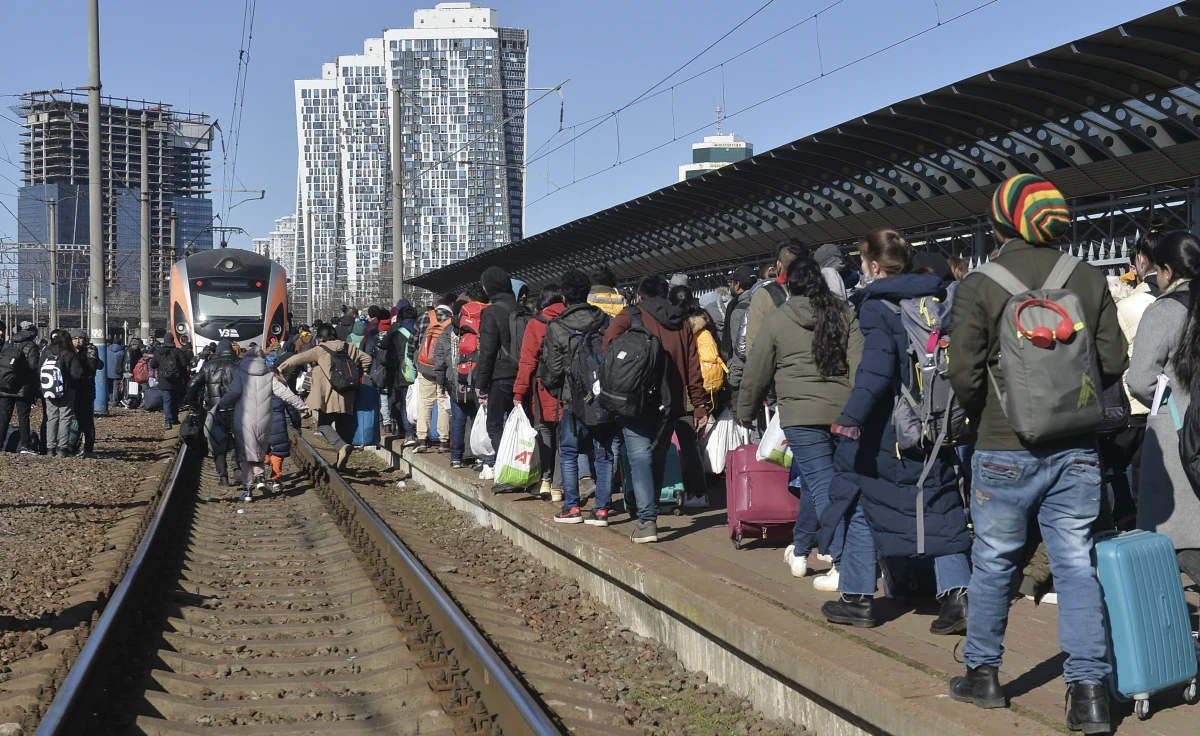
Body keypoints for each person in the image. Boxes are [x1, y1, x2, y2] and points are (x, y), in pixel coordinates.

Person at [947, 175, 1126, 732]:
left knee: (996, 559)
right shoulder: (1089, 278)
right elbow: (1114, 362)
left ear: (1003, 224)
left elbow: (963, 373)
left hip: (1004, 445)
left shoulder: (982, 283)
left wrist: (991, 411)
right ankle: (1091, 693)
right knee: (1075, 563)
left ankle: (983, 675)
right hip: (1076, 445)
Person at [820, 228, 972, 635]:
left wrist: (849, 418)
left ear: (872, 265)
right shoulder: (936, 296)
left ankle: (857, 598)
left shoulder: (876, 306)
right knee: (941, 505)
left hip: (892, 429)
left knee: (864, 502)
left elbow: (877, 368)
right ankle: (959, 596)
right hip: (938, 422)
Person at [738, 254, 863, 581]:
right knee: (826, 484)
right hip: (843, 412)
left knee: (821, 486)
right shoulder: (845, 315)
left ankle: (842, 562)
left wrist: (746, 412)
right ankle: (802, 548)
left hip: (800, 417)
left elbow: (756, 371)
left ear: (789, 285)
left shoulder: (778, 320)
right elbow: (858, 367)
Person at [604, 276, 709, 543]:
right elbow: (693, 369)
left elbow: (607, 347)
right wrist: (698, 406)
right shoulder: (682, 323)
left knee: (639, 458)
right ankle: (651, 515)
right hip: (670, 403)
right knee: (659, 457)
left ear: (639, 296)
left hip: (634, 401)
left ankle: (647, 521)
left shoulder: (629, 316)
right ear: (666, 294)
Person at [1128, 230, 1200, 587]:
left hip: (1177, 437)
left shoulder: (1164, 311)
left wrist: (1166, 400)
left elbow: (1140, 378)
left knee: (1175, 536)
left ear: (1168, 270)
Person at [540, 270, 621, 525]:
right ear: (588, 293)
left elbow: (552, 370)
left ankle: (572, 507)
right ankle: (601, 511)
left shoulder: (557, 327)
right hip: (603, 399)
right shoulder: (605, 321)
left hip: (572, 400)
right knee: (604, 452)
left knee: (568, 451)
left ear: (564, 296)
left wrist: (557, 391)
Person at [218, 348, 309, 501]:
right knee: (260, 449)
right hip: (265, 419)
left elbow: (233, 393)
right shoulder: (269, 375)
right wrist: (302, 405)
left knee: (245, 454)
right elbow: (285, 393)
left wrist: (221, 405)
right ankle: (260, 478)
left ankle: (248, 490)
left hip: (244, 418)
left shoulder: (240, 374)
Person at [278, 323, 372, 470]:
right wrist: (360, 373)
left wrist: (282, 367)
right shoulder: (350, 347)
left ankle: (342, 447)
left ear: (321, 337)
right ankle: (342, 459)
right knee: (342, 425)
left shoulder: (320, 349)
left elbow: (300, 357)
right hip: (348, 394)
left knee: (323, 424)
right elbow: (367, 359)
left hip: (329, 396)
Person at [512, 284, 568, 501]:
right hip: (567, 387)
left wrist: (519, 393)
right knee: (565, 436)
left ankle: (545, 479)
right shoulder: (570, 320)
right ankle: (560, 486)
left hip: (542, 387)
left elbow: (527, 361)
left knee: (544, 431)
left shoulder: (536, 324)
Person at [474, 266, 521, 481]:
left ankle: (506, 468)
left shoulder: (491, 312)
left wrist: (480, 384)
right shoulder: (522, 309)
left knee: (495, 424)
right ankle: (524, 467)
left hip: (500, 377)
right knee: (522, 424)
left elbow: (487, 351)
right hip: (523, 375)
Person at [186, 339, 240, 487]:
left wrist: (195, 406)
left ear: (218, 351)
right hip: (238, 408)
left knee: (217, 442)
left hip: (215, 410)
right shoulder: (240, 364)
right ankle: (236, 462)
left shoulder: (209, 366)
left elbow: (191, 385)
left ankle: (223, 477)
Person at [434, 297, 478, 470]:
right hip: (473, 380)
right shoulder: (474, 330)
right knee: (475, 419)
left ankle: (456, 458)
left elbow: (439, 361)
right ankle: (475, 455)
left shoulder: (446, 332)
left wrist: (441, 383)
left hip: (454, 382)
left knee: (458, 420)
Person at [744, 239, 806, 361]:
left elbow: (755, 347)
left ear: (779, 265)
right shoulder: (823, 290)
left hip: (783, 373)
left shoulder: (764, 295)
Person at [410, 294, 455, 453]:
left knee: (425, 402)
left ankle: (422, 439)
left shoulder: (424, 317)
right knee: (443, 403)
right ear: (451, 304)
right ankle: (443, 441)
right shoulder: (453, 319)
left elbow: (412, 342)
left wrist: (414, 361)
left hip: (425, 367)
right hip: (444, 368)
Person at [42, 330, 85, 458]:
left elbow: (39, 369)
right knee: (65, 418)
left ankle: (50, 448)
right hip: (68, 389)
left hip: (49, 389)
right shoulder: (70, 354)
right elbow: (77, 374)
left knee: (52, 418)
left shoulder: (46, 352)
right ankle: (62, 448)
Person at [0, 320, 40, 455]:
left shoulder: (8, 343)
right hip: (23, 387)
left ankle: (0, 444)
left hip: (5, 385)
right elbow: (34, 367)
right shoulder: (32, 346)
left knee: (4, 416)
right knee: (23, 416)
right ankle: (25, 445)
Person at [385, 302, 419, 445]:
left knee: (405, 402)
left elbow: (390, 356)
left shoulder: (397, 334)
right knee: (422, 402)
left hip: (403, 372)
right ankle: (422, 434)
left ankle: (409, 434)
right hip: (422, 371)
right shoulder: (421, 330)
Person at [266, 368, 303, 492]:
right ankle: (276, 479)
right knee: (278, 451)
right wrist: (297, 425)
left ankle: (264, 465)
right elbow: (292, 409)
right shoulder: (282, 392)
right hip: (278, 425)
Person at [722, 265, 757, 396]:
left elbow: (739, 350)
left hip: (745, 379)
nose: (730, 286)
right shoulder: (761, 302)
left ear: (737, 285)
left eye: (732, 282)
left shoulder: (738, 310)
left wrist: (734, 380)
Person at [69, 329, 103, 458]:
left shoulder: (90, 351)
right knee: (77, 420)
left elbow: (91, 371)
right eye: (75, 338)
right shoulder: (72, 352)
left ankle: (88, 449)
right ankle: (75, 446)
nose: (78, 340)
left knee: (87, 421)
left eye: (80, 338)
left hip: (86, 390)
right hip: (75, 390)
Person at [151, 330, 189, 429]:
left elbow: (153, 365)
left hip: (164, 379)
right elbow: (184, 364)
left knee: (166, 400)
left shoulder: (158, 352)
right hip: (176, 379)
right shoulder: (177, 351)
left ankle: (168, 421)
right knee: (175, 400)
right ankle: (175, 418)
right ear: (173, 340)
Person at [105, 336, 125, 409]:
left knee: (109, 387)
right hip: (117, 372)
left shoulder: (107, 350)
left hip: (107, 372)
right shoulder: (122, 352)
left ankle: (110, 399)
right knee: (115, 387)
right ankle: (114, 401)